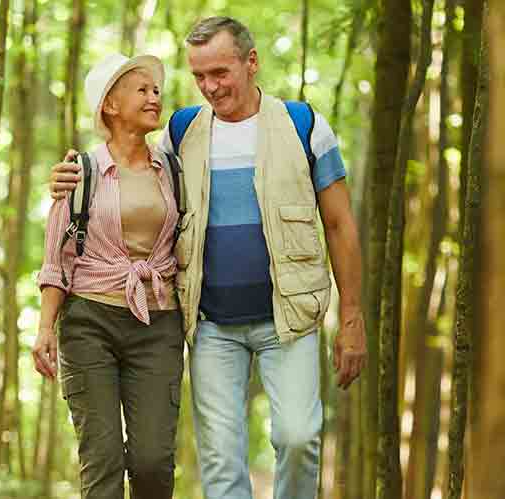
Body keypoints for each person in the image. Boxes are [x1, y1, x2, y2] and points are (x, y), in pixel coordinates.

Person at [48, 16, 367, 499]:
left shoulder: (303, 125)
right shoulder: (182, 131)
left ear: (251, 63)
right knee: (220, 461)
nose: (209, 87)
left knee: (298, 438)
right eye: (198, 76)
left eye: (219, 73)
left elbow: (341, 226)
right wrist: (68, 178)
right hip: (210, 323)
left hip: (291, 317)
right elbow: (127, 165)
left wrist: (352, 317)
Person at [32, 53, 185, 499]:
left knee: (153, 461)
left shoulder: (172, 170)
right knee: (103, 462)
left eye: (156, 90)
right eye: (142, 89)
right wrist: (45, 329)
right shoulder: (80, 172)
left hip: (158, 324)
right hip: (89, 324)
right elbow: (55, 261)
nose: (154, 97)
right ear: (110, 105)